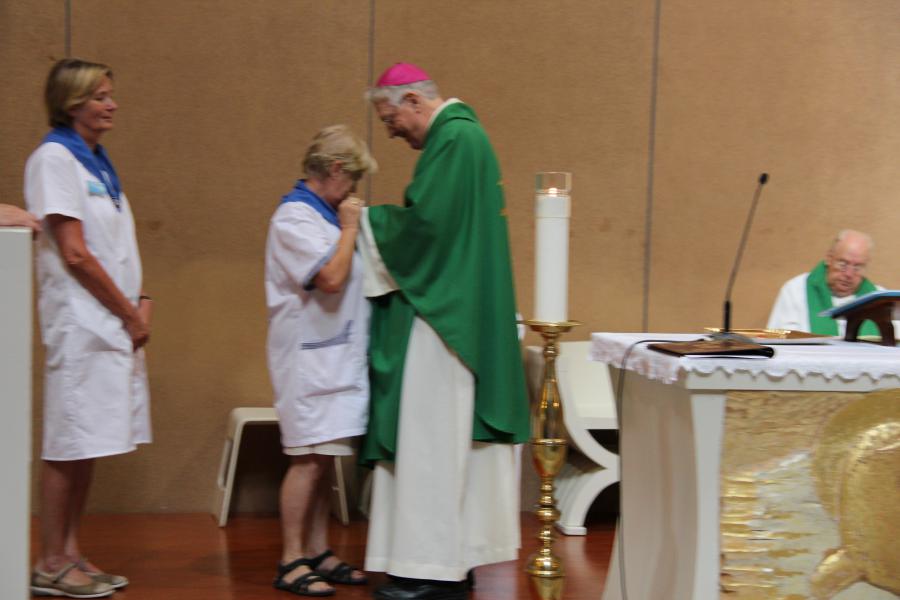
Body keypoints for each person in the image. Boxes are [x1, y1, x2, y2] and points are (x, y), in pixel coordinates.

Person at [358, 63, 529, 600]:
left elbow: (426, 228)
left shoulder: (454, 140)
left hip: (442, 320)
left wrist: (363, 219)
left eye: (391, 119)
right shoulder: (465, 139)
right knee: (448, 443)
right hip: (456, 306)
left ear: (412, 99)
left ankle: (427, 569)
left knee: (431, 441)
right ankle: (451, 559)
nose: (390, 131)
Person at [25, 58, 151, 598]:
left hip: (110, 320)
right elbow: (74, 252)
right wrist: (126, 312)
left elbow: (115, 247)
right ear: (72, 103)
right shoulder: (54, 158)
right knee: (68, 439)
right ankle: (50, 561)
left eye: (110, 93)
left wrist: (140, 301)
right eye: (100, 96)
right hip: (82, 322)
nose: (111, 104)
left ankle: (72, 552)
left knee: (90, 440)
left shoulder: (95, 160)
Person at [266, 125, 376, 597]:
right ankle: (290, 557)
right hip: (305, 360)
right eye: (352, 181)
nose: (353, 192)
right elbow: (329, 277)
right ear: (334, 171)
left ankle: (317, 549)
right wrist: (351, 228)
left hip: (333, 356)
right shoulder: (293, 218)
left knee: (325, 457)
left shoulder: (325, 216)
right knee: (306, 459)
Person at [767, 230, 886, 335]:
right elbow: (779, 341)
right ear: (829, 258)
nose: (849, 274)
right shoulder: (796, 290)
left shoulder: (879, 300)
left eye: (857, 267)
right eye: (843, 264)